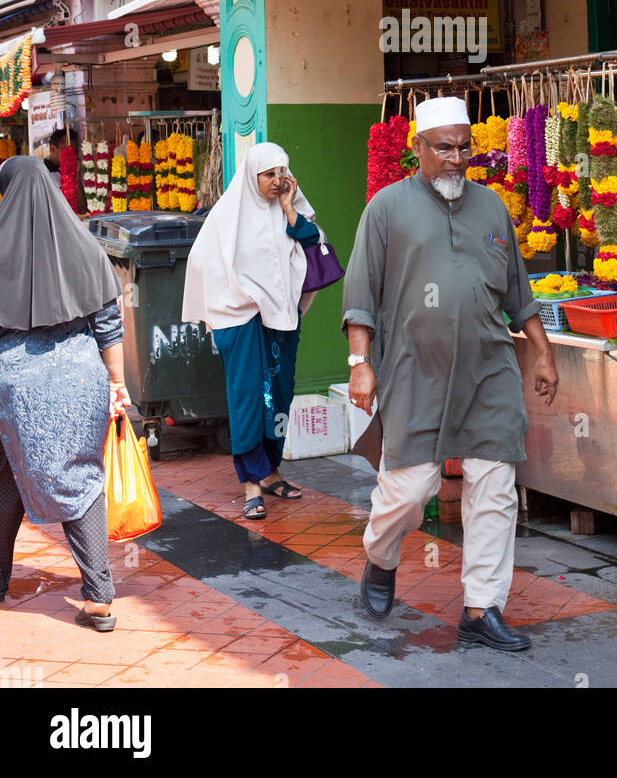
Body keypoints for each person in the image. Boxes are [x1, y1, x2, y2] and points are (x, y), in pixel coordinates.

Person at [342, 96, 559, 652]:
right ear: (418, 148)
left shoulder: (492, 207)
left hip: (489, 369)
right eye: (444, 148)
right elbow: (360, 293)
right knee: (410, 491)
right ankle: (380, 556)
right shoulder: (386, 208)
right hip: (415, 370)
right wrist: (360, 365)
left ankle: (481, 608)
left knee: (495, 487)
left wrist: (543, 352)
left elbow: (519, 293)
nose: (456, 159)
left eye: (464, 148)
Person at [0, 156, 131, 631]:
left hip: (15, 387)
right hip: (80, 379)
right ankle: (99, 597)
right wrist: (117, 384)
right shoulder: (86, 248)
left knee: (7, 475)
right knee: (82, 479)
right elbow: (109, 327)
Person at [182, 142, 322, 520]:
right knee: (249, 398)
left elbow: (312, 243)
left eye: (282, 173)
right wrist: (234, 300)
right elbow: (202, 262)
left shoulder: (290, 207)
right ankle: (251, 485)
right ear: (251, 175)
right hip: (240, 319)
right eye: (269, 174)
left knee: (280, 394)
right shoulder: (228, 214)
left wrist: (289, 208)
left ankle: (271, 471)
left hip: (282, 318)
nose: (277, 181)